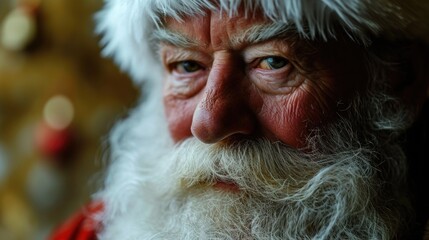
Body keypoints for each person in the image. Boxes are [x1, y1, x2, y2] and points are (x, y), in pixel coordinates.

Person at [50, 0, 429, 239]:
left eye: (273, 62)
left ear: (399, 79)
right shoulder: (96, 231)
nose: (210, 123)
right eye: (186, 65)